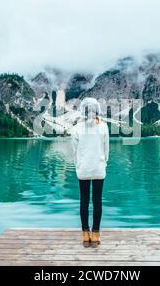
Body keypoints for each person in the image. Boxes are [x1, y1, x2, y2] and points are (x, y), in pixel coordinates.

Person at [71, 98, 109, 248]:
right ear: (97, 110)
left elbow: (75, 152)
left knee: (84, 201)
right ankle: (96, 235)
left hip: (83, 169)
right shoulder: (104, 127)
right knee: (97, 201)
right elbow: (106, 151)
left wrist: (78, 165)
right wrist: (103, 163)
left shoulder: (76, 128)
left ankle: (85, 235)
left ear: (83, 111)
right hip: (99, 168)